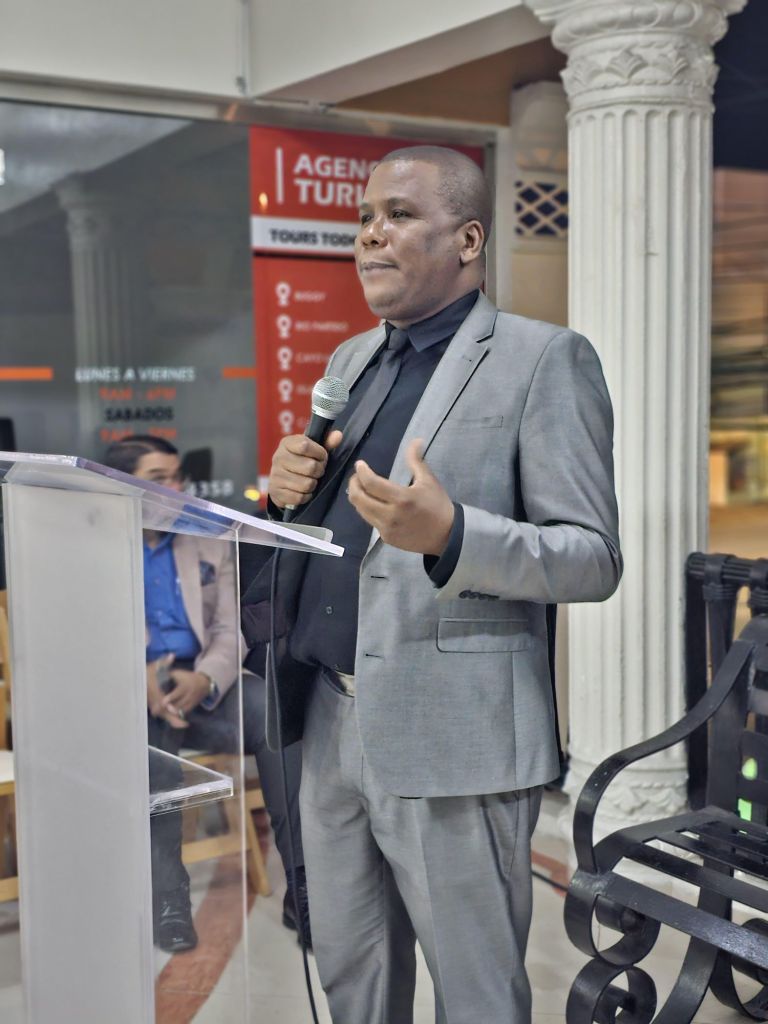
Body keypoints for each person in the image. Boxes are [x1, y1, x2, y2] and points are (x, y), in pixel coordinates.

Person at [248, 145, 622, 1023]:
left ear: (469, 239)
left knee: (476, 993)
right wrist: (286, 491)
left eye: (399, 215)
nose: (370, 234)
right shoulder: (352, 361)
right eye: (363, 219)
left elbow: (592, 557)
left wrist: (454, 536)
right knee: (352, 975)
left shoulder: (543, 358)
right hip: (329, 718)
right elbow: (334, 533)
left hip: (455, 734)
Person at [103, 436, 309, 954]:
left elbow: (228, 627)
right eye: (159, 479)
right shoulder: (94, 544)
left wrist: (206, 679)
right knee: (154, 746)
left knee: (272, 713)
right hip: (131, 693)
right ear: (123, 486)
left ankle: (304, 888)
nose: (174, 489)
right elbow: (85, 634)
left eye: (177, 477)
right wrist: (140, 679)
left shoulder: (206, 537)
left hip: (203, 685)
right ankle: (168, 899)